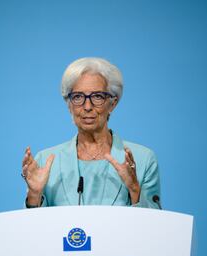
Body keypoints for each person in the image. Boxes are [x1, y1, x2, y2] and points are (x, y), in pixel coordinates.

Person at [21, 57, 161, 209]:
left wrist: (134, 189)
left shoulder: (143, 159)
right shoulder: (46, 161)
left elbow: (154, 228)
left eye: (97, 96)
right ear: (69, 105)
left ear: (112, 104)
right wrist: (34, 195)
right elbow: (34, 230)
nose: (87, 106)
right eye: (78, 97)